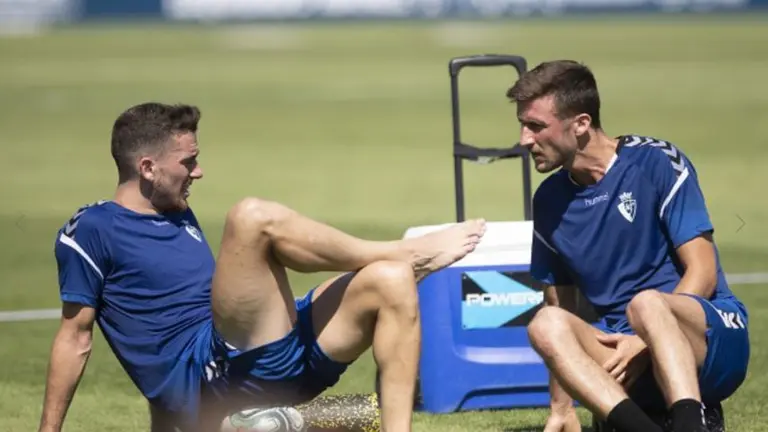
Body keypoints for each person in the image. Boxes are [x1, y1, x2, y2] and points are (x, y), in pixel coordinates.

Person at [38, 102, 487, 432]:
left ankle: (327, 421)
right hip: (216, 374)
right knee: (251, 216)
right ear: (148, 167)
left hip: (261, 353)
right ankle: (400, 250)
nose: (198, 172)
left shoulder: (174, 207)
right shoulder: (91, 229)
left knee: (391, 280)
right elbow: (75, 339)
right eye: (188, 162)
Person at [505, 60, 750, 432]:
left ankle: (690, 422)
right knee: (545, 323)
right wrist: (561, 407)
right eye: (523, 125)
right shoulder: (549, 200)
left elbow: (703, 271)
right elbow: (561, 306)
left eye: (536, 126)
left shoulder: (655, 162)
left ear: (582, 124)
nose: (524, 139)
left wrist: (645, 341)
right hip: (622, 352)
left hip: (709, 339)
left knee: (647, 304)